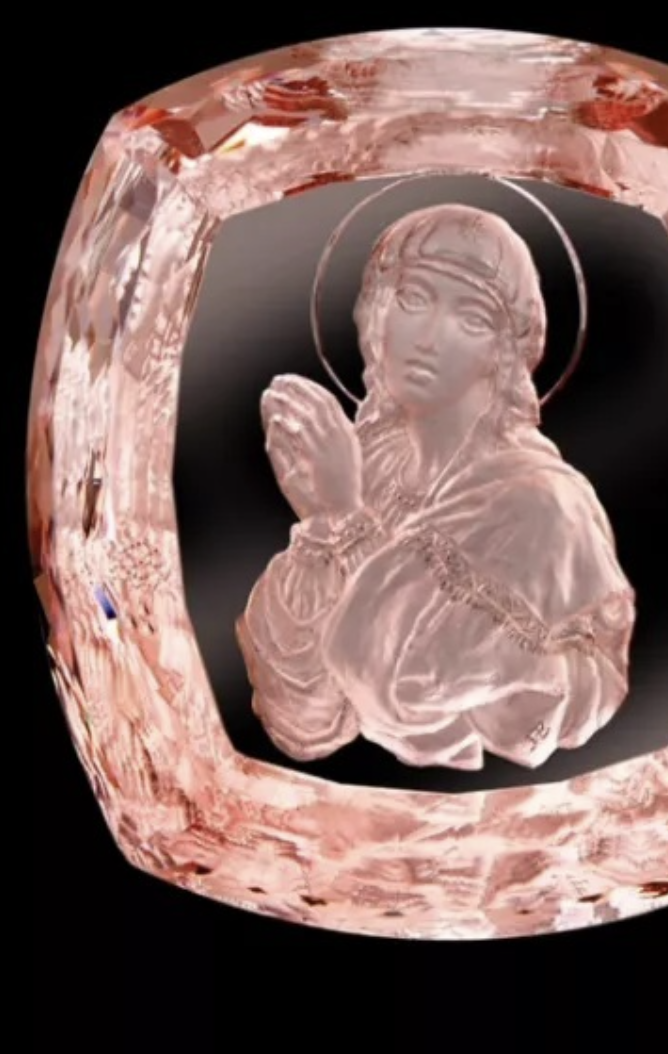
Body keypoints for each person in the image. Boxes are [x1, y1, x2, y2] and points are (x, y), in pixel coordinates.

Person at [235, 203, 636, 771]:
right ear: (376, 314)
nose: (429, 338)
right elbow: (302, 721)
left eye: (471, 319)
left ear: (504, 354)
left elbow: (399, 681)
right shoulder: (369, 463)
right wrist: (323, 525)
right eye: (413, 299)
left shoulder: (540, 507)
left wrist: (345, 519)